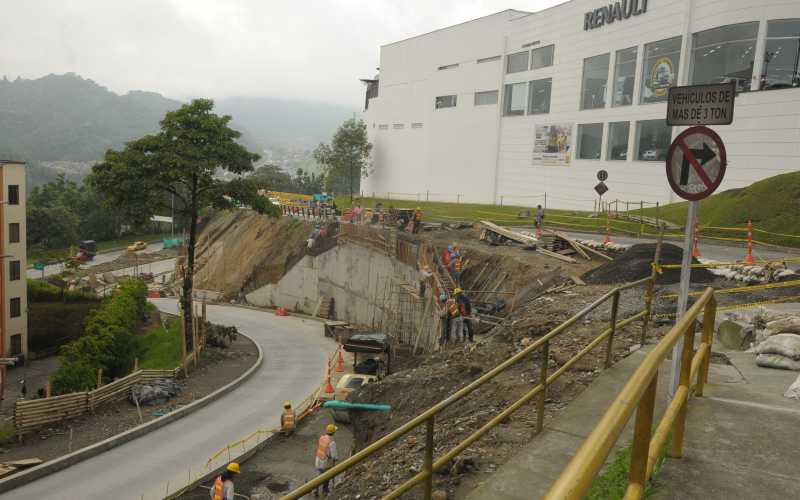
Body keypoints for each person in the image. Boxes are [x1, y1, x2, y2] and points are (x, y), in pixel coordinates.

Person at [315, 424, 339, 496]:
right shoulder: (332, 443)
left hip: (318, 460)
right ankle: (325, 490)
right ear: (333, 432)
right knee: (326, 477)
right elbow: (334, 456)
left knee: (318, 477)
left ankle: (316, 490)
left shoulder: (322, 438)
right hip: (326, 463)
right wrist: (336, 458)